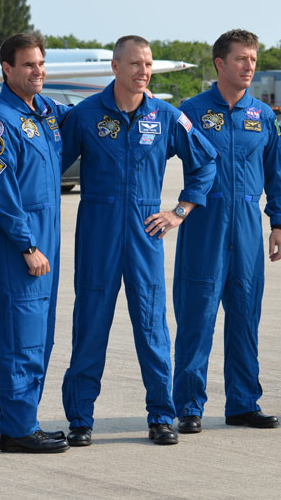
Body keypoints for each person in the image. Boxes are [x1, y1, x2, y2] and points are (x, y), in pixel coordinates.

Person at [60, 35, 217, 446]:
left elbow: (205, 162)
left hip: (146, 231)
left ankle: (162, 415)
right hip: (98, 229)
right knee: (90, 325)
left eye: (147, 64)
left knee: (152, 328)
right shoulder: (85, 114)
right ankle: (80, 418)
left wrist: (179, 211)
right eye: (134, 64)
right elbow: (49, 165)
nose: (143, 72)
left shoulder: (165, 116)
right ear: (115, 67)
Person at [172, 29, 281, 434]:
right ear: (220, 64)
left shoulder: (263, 115)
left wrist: (278, 222)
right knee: (196, 318)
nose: (249, 66)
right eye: (241, 59)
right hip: (204, 223)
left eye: (253, 59)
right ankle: (188, 405)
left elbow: (277, 173)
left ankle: (243, 403)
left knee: (245, 316)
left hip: (247, 226)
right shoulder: (189, 111)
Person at [0, 33, 70, 453]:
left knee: (40, 337)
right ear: (7, 70)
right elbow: (0, 193)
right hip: (20, 246)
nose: (38, 71)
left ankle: (20, 420)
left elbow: (85, 115)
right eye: (28, 65)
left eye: (41, 63)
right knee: (20, 338)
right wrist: (27, 246)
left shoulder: (45, 113)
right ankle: (16, 431)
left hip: (46, 239)